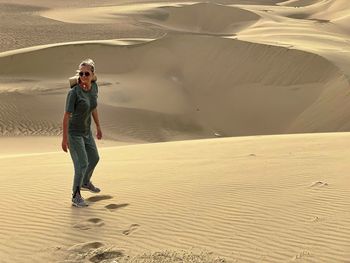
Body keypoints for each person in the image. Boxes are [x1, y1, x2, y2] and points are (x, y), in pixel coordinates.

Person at [62, 58, 102, 207]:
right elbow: (66, 116)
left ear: (92, 74)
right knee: (81, 164)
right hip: (74, 134)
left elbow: (93, 107)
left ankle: (85, 182)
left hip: (87, 132)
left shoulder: (94, 88)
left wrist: (98, 127)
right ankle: (75, 196)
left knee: (95, 158)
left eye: (86, 73)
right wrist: (64, 139)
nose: (83, 76)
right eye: (81, 73)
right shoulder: (74, 93)